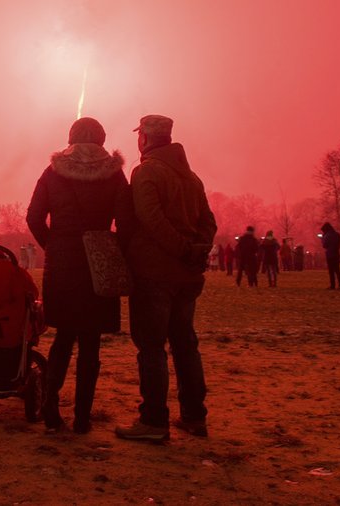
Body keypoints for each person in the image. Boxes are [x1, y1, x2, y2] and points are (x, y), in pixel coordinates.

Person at [115, 114, 216, 443]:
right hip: (186, 277)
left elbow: (151, 220)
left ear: (144, 138)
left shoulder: (145, 172)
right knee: (185, 344)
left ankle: (154, 420)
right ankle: (194, 415)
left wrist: (183, 250)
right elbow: (209, 223)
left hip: (155, 273)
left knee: (151, 347)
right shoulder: (192, 178)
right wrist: (197, 251)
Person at [26, 117, 131, 434]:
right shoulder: (114, 173)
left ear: (70, 137)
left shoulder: (53, 170)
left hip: (63, 262)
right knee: (90, 343)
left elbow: (33, 216)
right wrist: (112, 249)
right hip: (97, 264)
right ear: (101, 138)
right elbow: (126, 220)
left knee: (62, 338)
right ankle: (83, 417)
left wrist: (52, 244)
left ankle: (51, 409)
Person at [320, 222, 340, 290]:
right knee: (337, 270)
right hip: (336, 253)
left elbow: (324, 245)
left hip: (329, 254)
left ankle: (332, 285)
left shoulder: (327, 235)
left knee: (331, 271)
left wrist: (323, 238)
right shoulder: (337, 234)